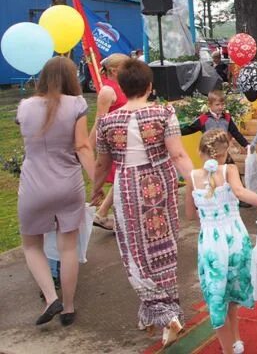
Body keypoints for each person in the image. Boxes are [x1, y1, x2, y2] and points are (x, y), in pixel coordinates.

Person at [93, 59, 195, 346]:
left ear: (122, 88)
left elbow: (102, 164)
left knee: (134, 252)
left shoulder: (107, 121)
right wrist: (197, 181)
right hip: (160, 185)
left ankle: (163, 314)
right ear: (150, 86)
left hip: (127, 189)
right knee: (164, 246)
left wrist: (95, 190)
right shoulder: (164, 113)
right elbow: (178, 155)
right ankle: (164, 312)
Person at [16, 57, 95, 326]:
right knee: (68, 247)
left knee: (31, 245)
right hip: (68, 184)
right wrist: (97, 181)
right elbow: (83, 147)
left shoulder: (24, 106)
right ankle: (69, 307)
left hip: (33, 185)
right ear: (71, 78)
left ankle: (51, 298)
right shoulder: (77, 104)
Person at [185, 130, 257, 354]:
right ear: (227, 152)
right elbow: (241, 192)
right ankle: (237, 340)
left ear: (200, 151)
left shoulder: (192, 177)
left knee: (217, 298)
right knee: (232, 295)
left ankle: (227, 348)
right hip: (235, 240)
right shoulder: (230, 170)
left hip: (212, 246)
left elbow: (190, 215)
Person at [90, 53, 130, 231]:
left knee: (122, 180)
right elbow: (100, 122)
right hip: (115, 143)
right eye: (126, 67)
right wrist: (89, 147)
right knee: (122, 180)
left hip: (126, 139)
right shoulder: (108, 91)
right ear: (114, 70)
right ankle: (109, 215)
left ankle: (102, 214)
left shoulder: (122, 86)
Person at [180, 90, 249, 150]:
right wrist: (175, 131)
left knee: (231, 165)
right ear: (209, 105)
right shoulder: (204, 118)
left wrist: (246, 145)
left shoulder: (227, 118)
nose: (220, 107)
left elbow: (236, 133)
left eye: (222, 104)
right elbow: (190, 129)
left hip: (223, 151)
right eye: (217, 105)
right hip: (209, 153)